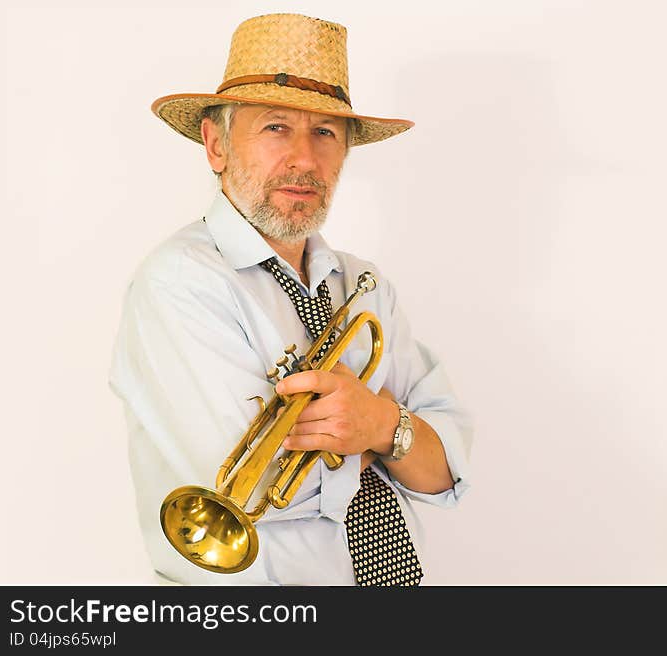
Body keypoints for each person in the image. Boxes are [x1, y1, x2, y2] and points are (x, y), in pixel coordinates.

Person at [108, 12, 472, 586]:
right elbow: (259, 491)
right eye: (276, 127)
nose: (305, 158)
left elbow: (448, 469)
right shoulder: (179, 281)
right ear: (215, 143)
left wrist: (375, 423)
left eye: (325, 132)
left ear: (346, 152)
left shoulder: (364, 283)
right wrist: (397, 436)